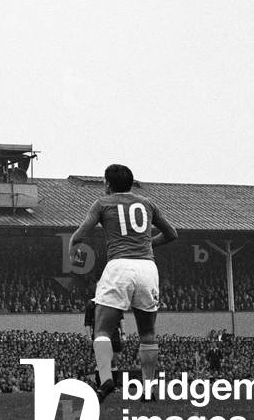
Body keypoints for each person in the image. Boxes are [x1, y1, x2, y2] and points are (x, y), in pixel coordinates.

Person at [69, 164, 178, 401]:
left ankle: (106, 377)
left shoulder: (102, 204)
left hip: (119, 267)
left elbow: (81, 234)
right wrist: (148, 245)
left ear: (107, 184)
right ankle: (148, 388)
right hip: (148, 269)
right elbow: (172, 234)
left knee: (102, 330)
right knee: (148, 333)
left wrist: (73, 249)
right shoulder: (148, 203)